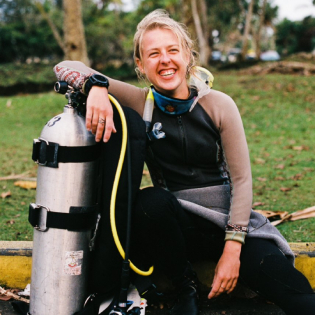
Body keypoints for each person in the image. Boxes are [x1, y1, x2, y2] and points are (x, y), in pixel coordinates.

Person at [54, 9, 315, 315]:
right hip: (177, 228)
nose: (164, 59)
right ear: (141, 65)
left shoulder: (218, 105)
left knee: (298, 298)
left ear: (188, 56)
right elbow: (65, 67)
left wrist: (233, 248)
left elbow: (242, 181)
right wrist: (95, 85)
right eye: (153, 54)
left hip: (231, 226)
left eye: (172, 50)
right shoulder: (141, 102)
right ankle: (184, 288)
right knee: (149, 201)